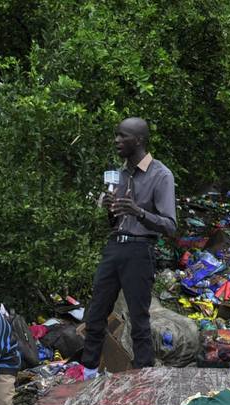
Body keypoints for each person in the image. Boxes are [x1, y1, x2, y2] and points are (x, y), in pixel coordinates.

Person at [80, 117, 176, 375]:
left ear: (139, 140)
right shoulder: (120, 175)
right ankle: (88, 373)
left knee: (139, 319)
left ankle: (143, 376)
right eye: (117, 135)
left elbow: (170, 225)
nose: (117, 141)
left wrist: (139, 212)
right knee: (96, 312)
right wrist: (111, 208)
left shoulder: (160, 174)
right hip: (115, 247)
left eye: (123, 136)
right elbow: (115, 221)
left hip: (139, 250)